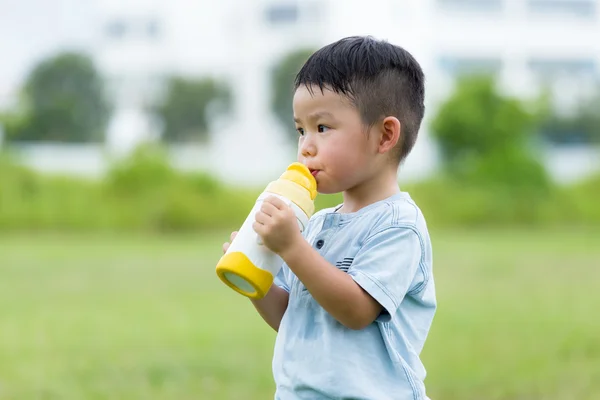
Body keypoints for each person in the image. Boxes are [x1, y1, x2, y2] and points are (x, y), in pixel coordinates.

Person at [222, 36, 436, 400]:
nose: (306, 145)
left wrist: (292, 248)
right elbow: (292, 317)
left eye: (322, 128)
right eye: (300, 130)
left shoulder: (399, 226)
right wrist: (255, 280)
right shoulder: (316, 225)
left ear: (385, 136)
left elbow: (355, 311)